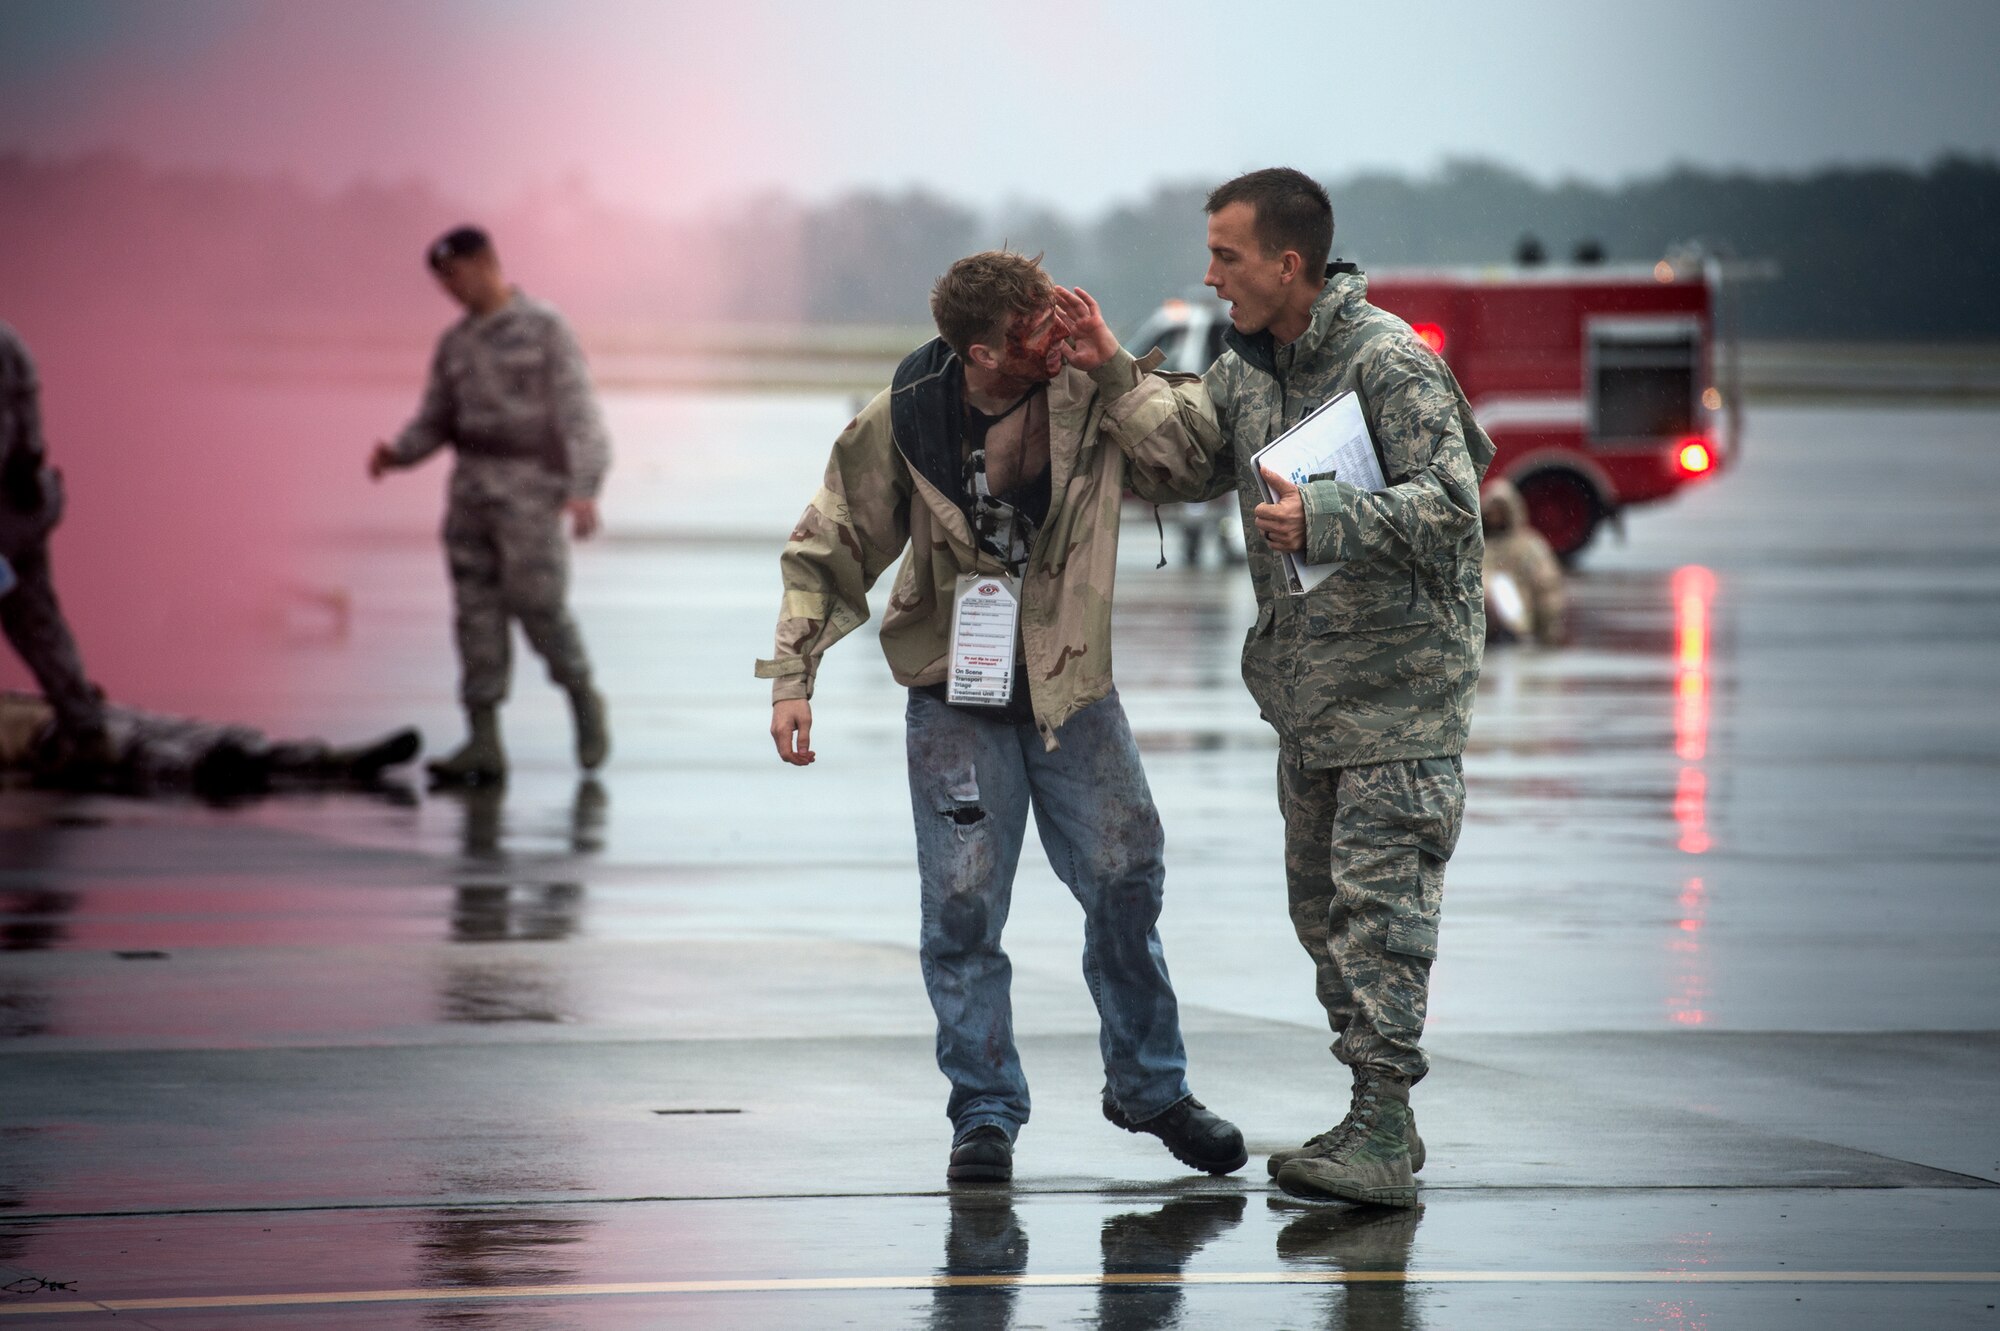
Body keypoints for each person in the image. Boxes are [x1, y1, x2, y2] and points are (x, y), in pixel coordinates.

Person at [757, 251, 1245, 1184]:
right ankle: (983, 1110)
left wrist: (1111, 364)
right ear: (981, 351)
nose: (1058, 336)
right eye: (1037, 332)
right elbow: (829, 543)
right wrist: (792, 675)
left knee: (1126, 882)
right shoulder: (907, 417)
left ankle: (1151, 1089)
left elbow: (1194, 466)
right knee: (964, 909)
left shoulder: (1091, 386)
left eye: (1059, 319)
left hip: (1073, 690)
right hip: (956, 692)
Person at [1196, 169, 1494, 1207]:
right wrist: (1101, 370)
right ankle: (1380, 1119)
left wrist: (1325, 518)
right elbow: (1183, 456)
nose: (1210, 274)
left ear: (1287, 263)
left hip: (1398, 693)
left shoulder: (1388, 360)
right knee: (1321, 912)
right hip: (1308, 698)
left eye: (1226, 255)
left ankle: (1378, 1125)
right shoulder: (1243, 374)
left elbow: (1453, 499)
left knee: (1380, 914)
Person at [369, 227, 611, 785]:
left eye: (453, 276)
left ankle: (581, 697)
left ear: (484, 264)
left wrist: (584, 488)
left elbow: (580, 414)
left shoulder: (544, 329)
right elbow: (435, 419)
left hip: (529, 493)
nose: (449, 290)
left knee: (538, 605)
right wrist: (398, 454)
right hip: (470, 495)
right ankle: (483, 741)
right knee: (475, 615)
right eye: (442, 281)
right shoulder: (455, 344)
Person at [0, 321, 113, 783]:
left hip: (7, 517)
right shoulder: (9, 344)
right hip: (19, 511)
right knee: (33, 619)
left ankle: (86, 732)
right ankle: (85, 730)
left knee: (31, 617)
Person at [0, 689, 419, 798]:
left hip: (75, 708)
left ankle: (333, 759)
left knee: (211, 733)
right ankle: (210, 767)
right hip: (49, 735)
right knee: (135, 749)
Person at [1480, 478, 1566, 646]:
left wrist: (1549, 630)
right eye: (1492, 511)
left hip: (1515, 625)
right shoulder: (1475, 545)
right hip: (1478, 626)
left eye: (1500, 510)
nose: (1495, 516)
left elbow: (1546, 586)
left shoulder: (1528, 546)